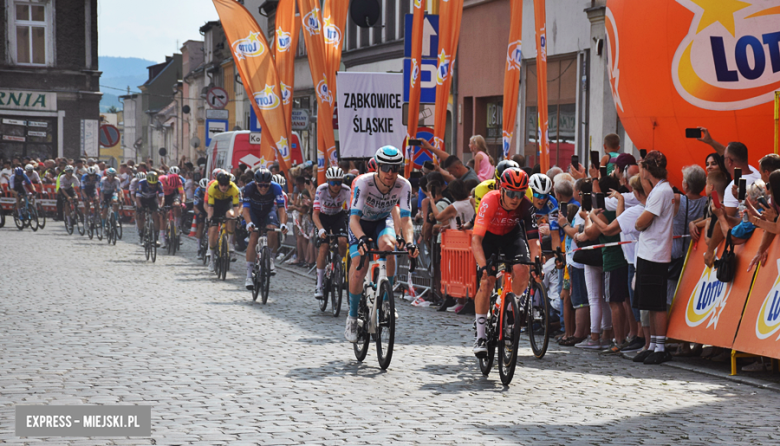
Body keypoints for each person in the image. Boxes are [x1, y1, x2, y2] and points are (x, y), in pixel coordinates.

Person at [345, 146, 418, 343]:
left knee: (389, 246)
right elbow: (353, 220)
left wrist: (410, 242)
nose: (390, 173)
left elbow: (406, 219)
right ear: (377, 167)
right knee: (359, 264)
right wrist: (360, 238)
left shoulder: (404, 185)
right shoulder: (363, 182)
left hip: (381, 221)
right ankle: (352, 317)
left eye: (395, 168)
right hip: (360, 223)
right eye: (385, 167)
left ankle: (386, 301)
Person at [471, 168, 540, 356]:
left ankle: (510, 310)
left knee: (523, 269)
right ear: (501, 188)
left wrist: (536, 263)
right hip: (488, 238)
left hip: (511, 236)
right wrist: (483, 266)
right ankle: (481, 335)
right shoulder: (489, 201)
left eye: (519, 193)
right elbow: (476, 239)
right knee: (487, 282)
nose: (515, 198)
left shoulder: (526, 205)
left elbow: (534, 242)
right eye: (511, 193)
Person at [632, 151, 675, 365]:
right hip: (650, 252)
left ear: (649, 169)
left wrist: (639, 223)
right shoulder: (659, 189)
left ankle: (660, 346)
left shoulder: (662, 191)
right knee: (648, 302)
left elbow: (642, 222)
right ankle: (653, 345)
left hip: (655, 253)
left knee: (656, 303)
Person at [242, 168, 288, 289]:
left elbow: (281, 209)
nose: (263, 188)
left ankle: (271, 260)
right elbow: (245, 210)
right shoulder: (249, 188)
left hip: (268, 211)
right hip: (254, 212)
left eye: (266, 186)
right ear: (256, 183)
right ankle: (248, 276)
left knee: (273, 230)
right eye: (260, 185)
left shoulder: (276, 187)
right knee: (254, 237)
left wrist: (283, 224)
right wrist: (249, 223)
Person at [313, 167, 351, 299]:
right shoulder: (321, 190)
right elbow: (315, 214)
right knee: (323, 247)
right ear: (328, 182)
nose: (336, 186)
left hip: (338, 216)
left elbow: (352, 211)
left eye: (339, 182)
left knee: (342, 240)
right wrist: (321, 229)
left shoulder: (346, 190)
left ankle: (339, 265)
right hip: (323, 217)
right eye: (333, 183)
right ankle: (319, 285)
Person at [206, 172, 241, 272]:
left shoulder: (234, 188)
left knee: (231, 216)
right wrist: (209, 219)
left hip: (227, 203)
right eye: (221, 184)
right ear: (218, 183)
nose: (224, 186)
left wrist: (237, 217)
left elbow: (235, 207)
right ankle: (211, 260)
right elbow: (210, 207)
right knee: (213, 230)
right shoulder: (213, 187)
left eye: (226, 184)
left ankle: (230, 243)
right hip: (216, 205)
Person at [135, 172, 165, 247]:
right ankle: (141, 235)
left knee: (156, 215)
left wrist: (160, 206)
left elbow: (162, 197)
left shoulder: (159, 184)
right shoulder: (141, 183)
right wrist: (141, 208)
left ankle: (156, 238)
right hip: (142, 199)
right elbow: (138, 199)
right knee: (140, 216)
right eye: (151, 184)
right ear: (147, 181)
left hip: (152, 198)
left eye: (154, 184)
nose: (153, 186)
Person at [159, 166, 185, 247]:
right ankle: (162, 238)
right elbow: (159, 196)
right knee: (162, 215)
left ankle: (177, 228)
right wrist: (160, 205)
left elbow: (182, 193)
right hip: (162, 195)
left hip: (173, 195)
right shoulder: (161, 180)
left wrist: (183, 202)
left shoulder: (179, 181)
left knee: (177, 206)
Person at [193, 178, 209, 257]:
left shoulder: (212, 190)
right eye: (203, 190)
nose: (204, 191)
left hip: (209, 207)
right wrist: (198, 213)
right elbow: (195, 206)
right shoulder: (198, 191)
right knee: (200, 225)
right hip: (200, 207)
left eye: (206, 190)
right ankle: (199, 248)